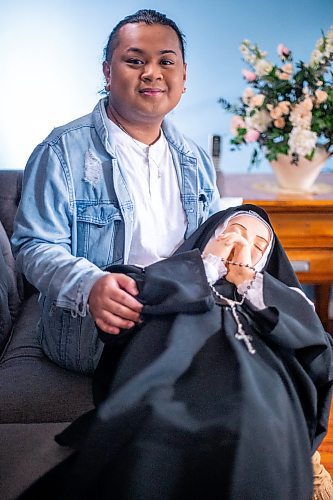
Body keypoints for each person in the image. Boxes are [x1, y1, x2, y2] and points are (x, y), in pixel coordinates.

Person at [19, 205, 333, 500]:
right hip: (172, 378)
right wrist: (206, 267)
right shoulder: (163, 275)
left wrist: (252, 283)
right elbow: (126, 314)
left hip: (261, 391)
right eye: (233, 232)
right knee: (159, 424)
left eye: (259, 244)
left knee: (257, 428)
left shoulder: (283, 299)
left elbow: (317, 351)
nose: (242, 245)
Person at [11, 9, 221, 374]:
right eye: (135, 60)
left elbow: (211, 246)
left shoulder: (196, 160)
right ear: (108, 72)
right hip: (93, 331)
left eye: (166, 62)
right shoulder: (61, 151)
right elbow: (33, 247)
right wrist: (90, 286)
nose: (152, 73)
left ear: (183, 77)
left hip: (180, 315)